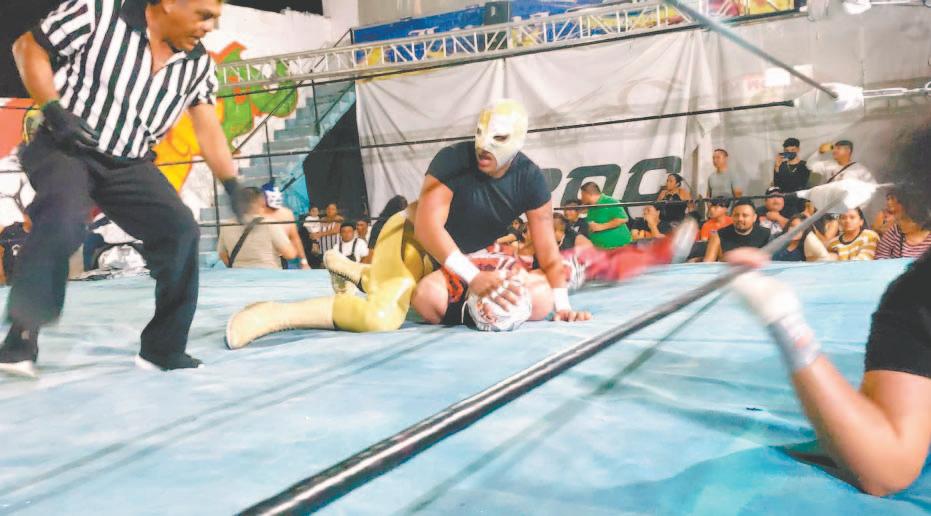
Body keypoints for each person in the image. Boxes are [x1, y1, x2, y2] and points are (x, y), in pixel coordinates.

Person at [226, 99, 589, 348]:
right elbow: (429, 229)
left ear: (518, 140)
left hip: (450, 257)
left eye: (498, 139)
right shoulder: (452, 160)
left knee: (407, 289)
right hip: (411, 241)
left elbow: (547, 249)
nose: (484, 145)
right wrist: (473, 277)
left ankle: (352, 270)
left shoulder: (530, 180)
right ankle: (273, 314)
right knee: (381, 317)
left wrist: (562, 304)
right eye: (480, 133)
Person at [0, 0, 240, 376]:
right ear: (169, 4)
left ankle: (163, 349)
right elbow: (27, 46)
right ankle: (21, 337)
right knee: (63, 218)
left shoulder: (198, 65)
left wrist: (232, 183)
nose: (211, 27)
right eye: (204, 15)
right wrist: (54, 109)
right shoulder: (98, 11)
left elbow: (207, 127)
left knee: (180, 231)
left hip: (129, 162)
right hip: (67, 145)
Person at [725, 123, 931, 496]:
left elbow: (889, 467)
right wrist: (783, 321)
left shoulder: (912, 292)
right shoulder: (917, 295)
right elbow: (888, 464)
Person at [218, 187, 296, 269]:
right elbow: (290, 254)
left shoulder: (226, 225)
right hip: (269, 273)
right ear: (259, 202)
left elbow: (222, 254)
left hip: (239, 274)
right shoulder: (269, 224)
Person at [260, 181, 309, 269]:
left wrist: (303, 261)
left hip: (281, 257)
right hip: (261, 258)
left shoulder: (286, 214)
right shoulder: (257, 214)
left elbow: (295, 238)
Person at [704, 200, 770, 262]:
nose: (740, 219)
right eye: (736, 215)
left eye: (745, 215)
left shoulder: (766, 234)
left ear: (754, 217)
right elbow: (708, 264)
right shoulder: (718, 235)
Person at [875, 190, 931, 259]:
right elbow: (880, 255)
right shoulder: (895, 231)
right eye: (898, 219)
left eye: (904, 220)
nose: (899, 223)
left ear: (919, 221)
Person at [579, 182, 631, 249]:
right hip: (601, 248)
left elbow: (623, 219)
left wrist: (601, 226)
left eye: (582, 195)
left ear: (588, 194)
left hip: (618, 247)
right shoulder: (591, 207)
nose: (581, 198)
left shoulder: (610, 201)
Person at [773, 137, 811, 216]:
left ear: (798, 149)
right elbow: (777, 185)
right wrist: (776, 167)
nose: (790, 152)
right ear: (784, 151)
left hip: (799, 201)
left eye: (792, 150)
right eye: (787, 151)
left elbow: (802, 183)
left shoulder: (805, 165)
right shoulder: (781, 165)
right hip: (784, 202)